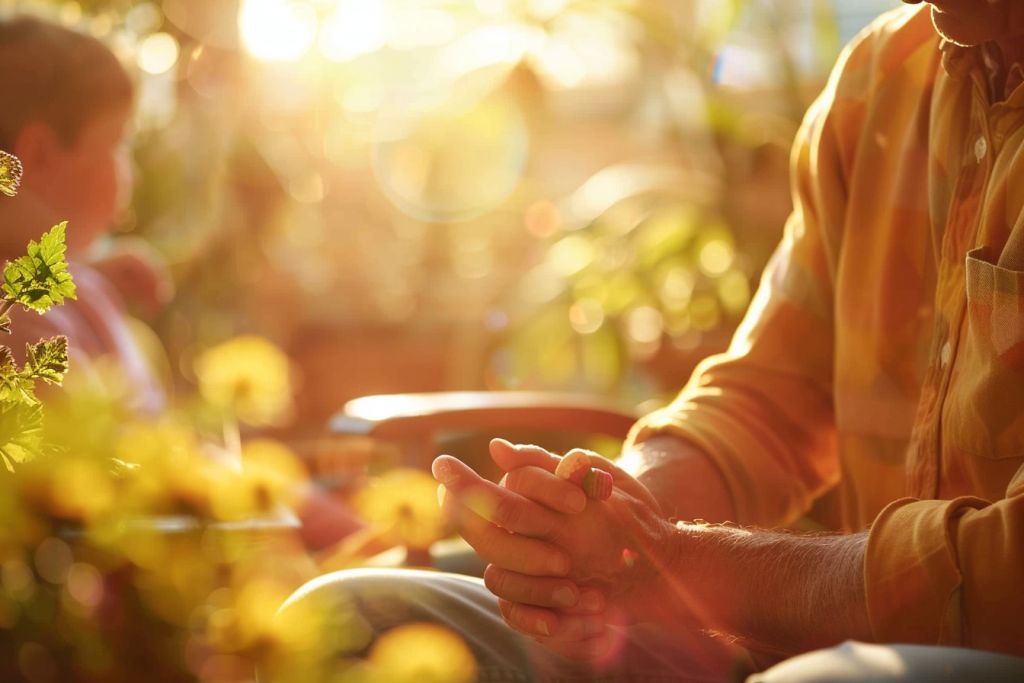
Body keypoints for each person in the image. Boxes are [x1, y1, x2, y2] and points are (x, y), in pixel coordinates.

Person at [272, 1, 1024, 681]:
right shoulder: (882, 78)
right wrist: (606, 522)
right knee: (351, 614)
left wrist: (682, 565)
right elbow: (766, 399)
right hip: (798, 638)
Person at [0, 14, 168, 415]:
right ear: (39, 157)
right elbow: (98, 449)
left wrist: (88, 271)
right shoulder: (25, 327)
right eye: (119, 143)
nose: (133, 174)